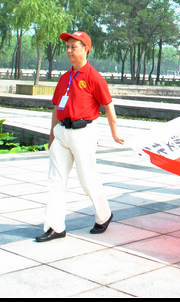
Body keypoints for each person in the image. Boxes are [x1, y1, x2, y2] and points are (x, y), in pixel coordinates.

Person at [36, 31, 124, 242]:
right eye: (67, 47)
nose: (69, 51)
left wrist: (114, 132)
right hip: (62, 133)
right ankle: (55, 227)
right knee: (55, 180)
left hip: (83, 133)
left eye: (73, 47)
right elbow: (56, 108)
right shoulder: (65, 78)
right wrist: (52, 136)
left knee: (87, 180)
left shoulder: (94, 77)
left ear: (86, 49)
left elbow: (108, 106)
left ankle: (104, 215)